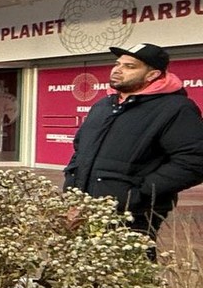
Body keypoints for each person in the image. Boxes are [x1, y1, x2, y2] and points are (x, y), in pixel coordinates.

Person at [64, 43, 203, 240]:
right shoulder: (104, 105)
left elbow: (194, 161)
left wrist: (137, 194)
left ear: (152, 75)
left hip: (132, 216)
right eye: (117, 64)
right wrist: (73, 195)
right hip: (84, 211)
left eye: (130, 66)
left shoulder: (176, 108)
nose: (118, 70)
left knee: (126, 270)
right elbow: (81, 150)